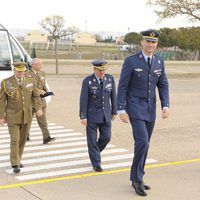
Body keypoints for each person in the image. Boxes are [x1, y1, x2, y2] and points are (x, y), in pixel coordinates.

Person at [117, 29, 170, 196]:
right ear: (142, 43)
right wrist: (121, 108)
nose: (151, 45)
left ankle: (137, 176)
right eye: (148, 41)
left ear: (156, 44)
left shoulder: (159, 62)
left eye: (153, 42)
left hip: (150, 109)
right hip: (134, 107)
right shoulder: (131, 61)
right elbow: (123, 86)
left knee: (145, 145)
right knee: (142, 142)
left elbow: (163, 84)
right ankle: (137, 179)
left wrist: (165, 105)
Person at [0, 62, 42, 173]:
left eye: (22, 71)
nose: (21, 73)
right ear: (14, 70)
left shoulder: (31, 81)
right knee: (15, 140)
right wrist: (1, 116)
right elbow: (2, 101)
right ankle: (15, 164)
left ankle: (18, 159)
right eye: (19, 71)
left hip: (27, 116)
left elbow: (36, 96)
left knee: (22, 140)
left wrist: (39, 108)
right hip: (12, 116)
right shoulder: (6, 82)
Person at [79, 60, 117, 172]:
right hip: (92, 115)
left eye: (104, 70)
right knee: (92, 140)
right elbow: (83, 99)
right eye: (100, 70)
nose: (102, 72)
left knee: (107, 137)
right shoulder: (88, 81)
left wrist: (114, 111)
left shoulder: (110, 79)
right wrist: (83, 116)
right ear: (94, 69)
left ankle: (94, 153)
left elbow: (113, 96)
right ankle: (96, 163)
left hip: (106, 114)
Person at [26, 58, 55, 144]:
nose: (41, 66)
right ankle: (25, 135)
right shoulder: (27, 74)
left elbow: (43, 85)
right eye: (40, 64)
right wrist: (38, 91)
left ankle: (46, 137)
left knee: (43, 121)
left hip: (41, 101)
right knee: (27, 120)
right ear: (34, 65)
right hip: (30, 101)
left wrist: (46, 91)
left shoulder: (42, 73)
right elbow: (27, 87)